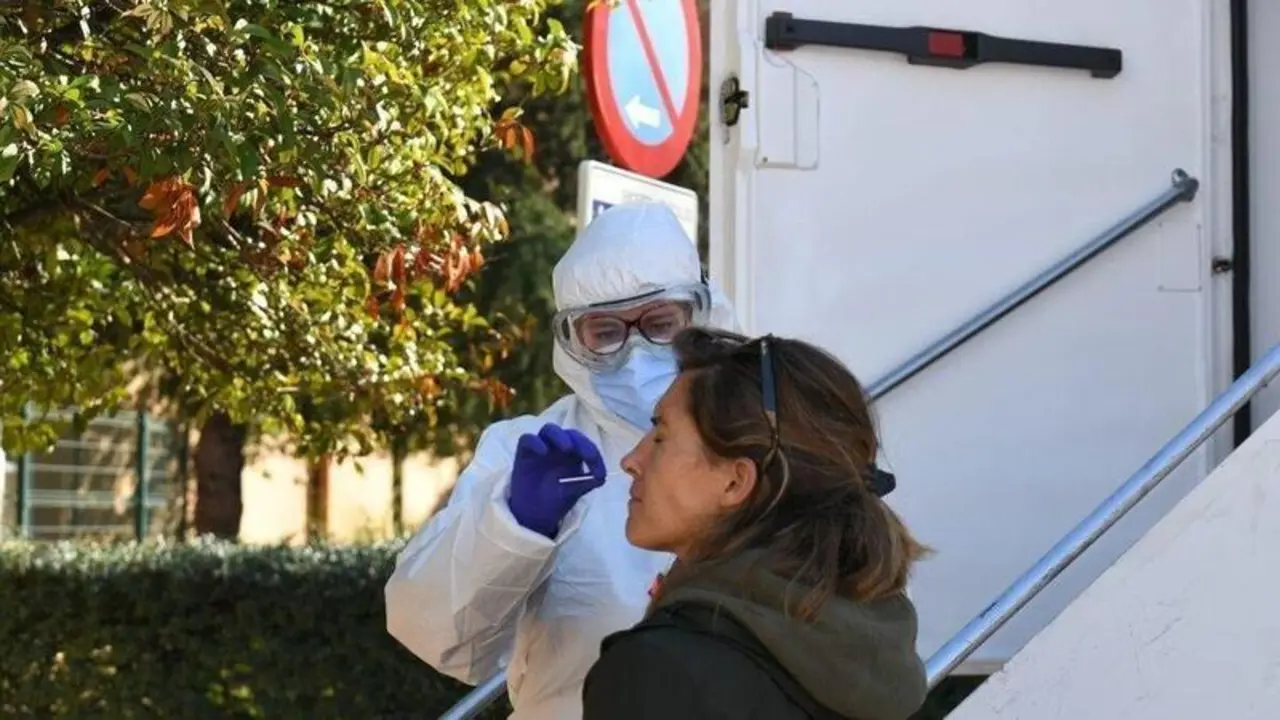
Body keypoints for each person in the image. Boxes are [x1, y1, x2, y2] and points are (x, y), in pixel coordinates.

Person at [383, 201, 739, 719]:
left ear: (699, 315)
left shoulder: (754, 437)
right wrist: (511, 526)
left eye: (661, 323)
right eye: (605, 333)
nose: (636, 353)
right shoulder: (531, 451)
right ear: (572, 342)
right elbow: (431, 633)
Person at [581, 327, 930, 720]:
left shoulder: (657, 673)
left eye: (660, 436)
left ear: (735, 481)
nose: (632, 460)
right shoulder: (877, 656)